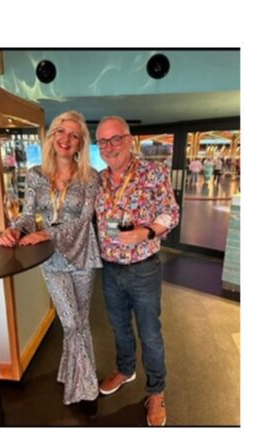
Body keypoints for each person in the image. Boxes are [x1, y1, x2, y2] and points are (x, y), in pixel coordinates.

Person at [0, 111, 102, 412]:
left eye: (74, 134)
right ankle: (87, 386)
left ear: (81, 142)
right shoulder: (35, 174)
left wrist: (47, 233)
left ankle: (72, 373)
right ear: (52, 136)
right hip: (52, 259)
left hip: (82, 254)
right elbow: (28, 214)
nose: (66, 139)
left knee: (80, 320)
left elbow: (84, 220)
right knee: (71, 320)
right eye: (61, 131)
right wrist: (17, 228)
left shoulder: (90, 177)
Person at [93, 115, 180, 426]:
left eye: (115, 139)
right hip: (111, 268)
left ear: (129, 140)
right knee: (119, 327)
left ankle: (156, 391)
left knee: (150, 334)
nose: (109, 146)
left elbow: (171, 211)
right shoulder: (98, 180)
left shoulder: (152, 174)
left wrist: (148, 232)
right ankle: (125, 369)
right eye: (103, 141)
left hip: (143, 268)